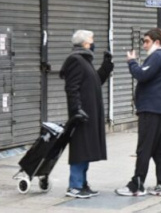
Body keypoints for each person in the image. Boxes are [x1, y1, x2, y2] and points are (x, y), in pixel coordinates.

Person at [115, 28, 161, 197]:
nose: (144, 45)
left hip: (152, 109)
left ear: (157, 42)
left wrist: (131, 62)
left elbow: (142, 75)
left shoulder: (158, 56)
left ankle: (137, 184)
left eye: (147, 41)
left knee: (144, 147)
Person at [60, 30, 114, 199]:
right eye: (91, 39)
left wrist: (106, 66)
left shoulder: (85, 59)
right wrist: (76, 110)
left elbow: (95, 81)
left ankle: (82, 183)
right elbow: (72, 87)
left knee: (87, 149)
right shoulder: (75, 60)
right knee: (80, 149)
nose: (93, 42)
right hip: (82, 114)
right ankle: (75, 186)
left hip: (90, 113)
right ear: (84, 43)